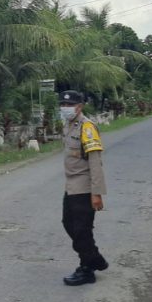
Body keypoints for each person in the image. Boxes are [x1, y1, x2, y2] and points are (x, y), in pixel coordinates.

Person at [59, 90, 109, 286]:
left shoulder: (87, 127)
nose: (65, 108)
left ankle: (87, 269)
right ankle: (94, 258)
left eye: (69, 105)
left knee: (82, 230)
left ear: (79, 107)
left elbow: (95, 162)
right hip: (71, 186)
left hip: (84, 187)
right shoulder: (69, 125)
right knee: (68, 223)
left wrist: (96, 193)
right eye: (62, 104)